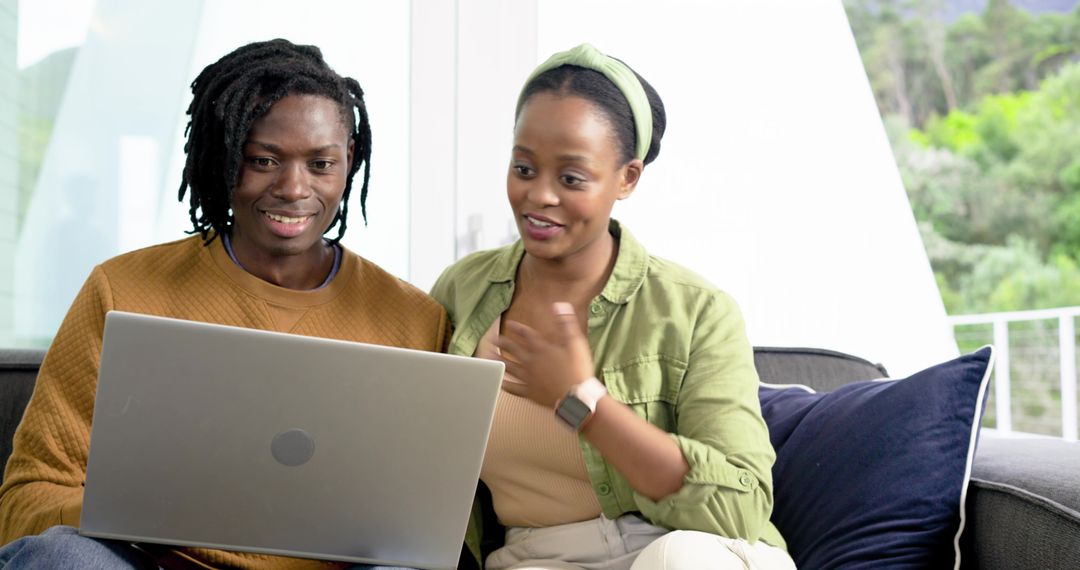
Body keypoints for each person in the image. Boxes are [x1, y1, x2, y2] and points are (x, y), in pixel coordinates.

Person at [0, 39, 447, 569]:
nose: (293, 188)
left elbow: (424, 521)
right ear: (224, 156)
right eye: (263, 160)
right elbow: (27, 498)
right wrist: (135, 515)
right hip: (154, 563)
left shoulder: (414, 319)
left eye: (321, 163)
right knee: (64, 557)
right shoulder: (121, 290)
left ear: (349, 159)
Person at [431, 44, 796, 570]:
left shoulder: (697, 311)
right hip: (536, 555)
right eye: (524, 168)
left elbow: (740, 507)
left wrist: (581, 401)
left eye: (571, 178)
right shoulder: (463, 290)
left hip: (685, 546)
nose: (539, 195)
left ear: (628, 178)